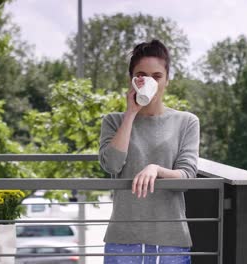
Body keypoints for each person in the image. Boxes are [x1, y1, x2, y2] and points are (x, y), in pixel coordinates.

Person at [98, 39, 200, 264]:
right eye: (142, 75)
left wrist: (156, 169)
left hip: (171, 241)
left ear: (167, 80)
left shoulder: (187, 122)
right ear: (133, 80)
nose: (149, 81)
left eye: (157, 76)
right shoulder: (113, 121)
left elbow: (188, 175)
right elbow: (111, 165)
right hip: (122, 238)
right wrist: (131, 113)